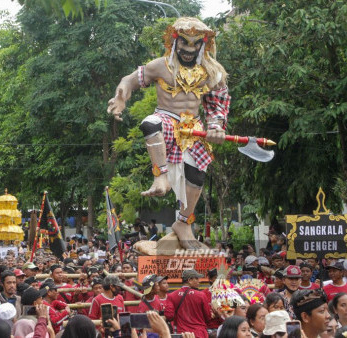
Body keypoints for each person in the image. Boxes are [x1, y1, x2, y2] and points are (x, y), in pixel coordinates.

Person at [108, 17, 230, 250]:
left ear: (203, 44)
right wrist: (121, 95)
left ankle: (184, 222)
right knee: (150, 123)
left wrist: (215, 127)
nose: (189, 50)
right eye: (185, 43)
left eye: (195, 44)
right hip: (166, 117)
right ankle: (160, 176)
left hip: (193, 127)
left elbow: (217, 105)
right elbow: (129, 80)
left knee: (197, 176)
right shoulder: (160, 66)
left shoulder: (212, 72)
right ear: (175, 41)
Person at [165, 269, 210, 337]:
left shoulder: (171, 296)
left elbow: (169, 316)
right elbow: (208, 317)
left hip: (181, 334)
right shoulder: (201, 295)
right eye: (197, 278)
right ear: (189, 280)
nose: (199, 281)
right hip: (199, 333)